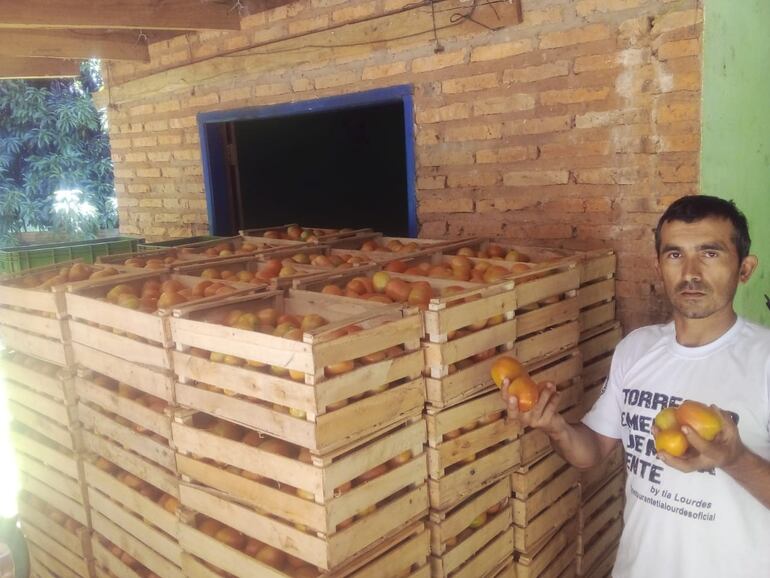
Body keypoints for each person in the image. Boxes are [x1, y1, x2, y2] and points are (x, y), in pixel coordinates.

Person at [503, 195, 770, 578]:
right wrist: (554, 426)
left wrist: (735, 459)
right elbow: (592, 450)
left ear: (744, 269)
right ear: (658, 265)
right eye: (675, 255)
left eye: (710, 254)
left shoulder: (764, 361)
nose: (691, 272)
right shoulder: (636, 349)